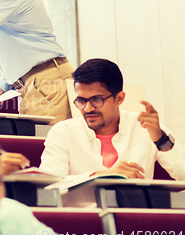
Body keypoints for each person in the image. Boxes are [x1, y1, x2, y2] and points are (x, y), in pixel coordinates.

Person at [39, 58, 185, 180]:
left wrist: (160, 140)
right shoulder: (63, 131)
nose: (88, 109)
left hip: (133, 213)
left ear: (119, 98)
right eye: (81, 101)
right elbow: (50, 184)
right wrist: (101, 176)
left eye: (97, 99)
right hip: (82, 214)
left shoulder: (145, 127)